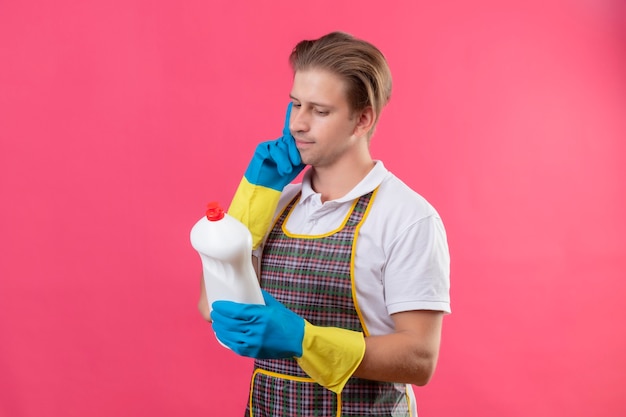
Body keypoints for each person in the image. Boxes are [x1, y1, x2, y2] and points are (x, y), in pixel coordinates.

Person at [198, 31, 451, 417]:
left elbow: (419, 359)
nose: (298, 124)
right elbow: (211, 304)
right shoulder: (278, 203)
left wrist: (305, 340)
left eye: (319, 110)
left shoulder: (407, 217)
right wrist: (254, 194)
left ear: (362, 119)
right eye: (295, 104)